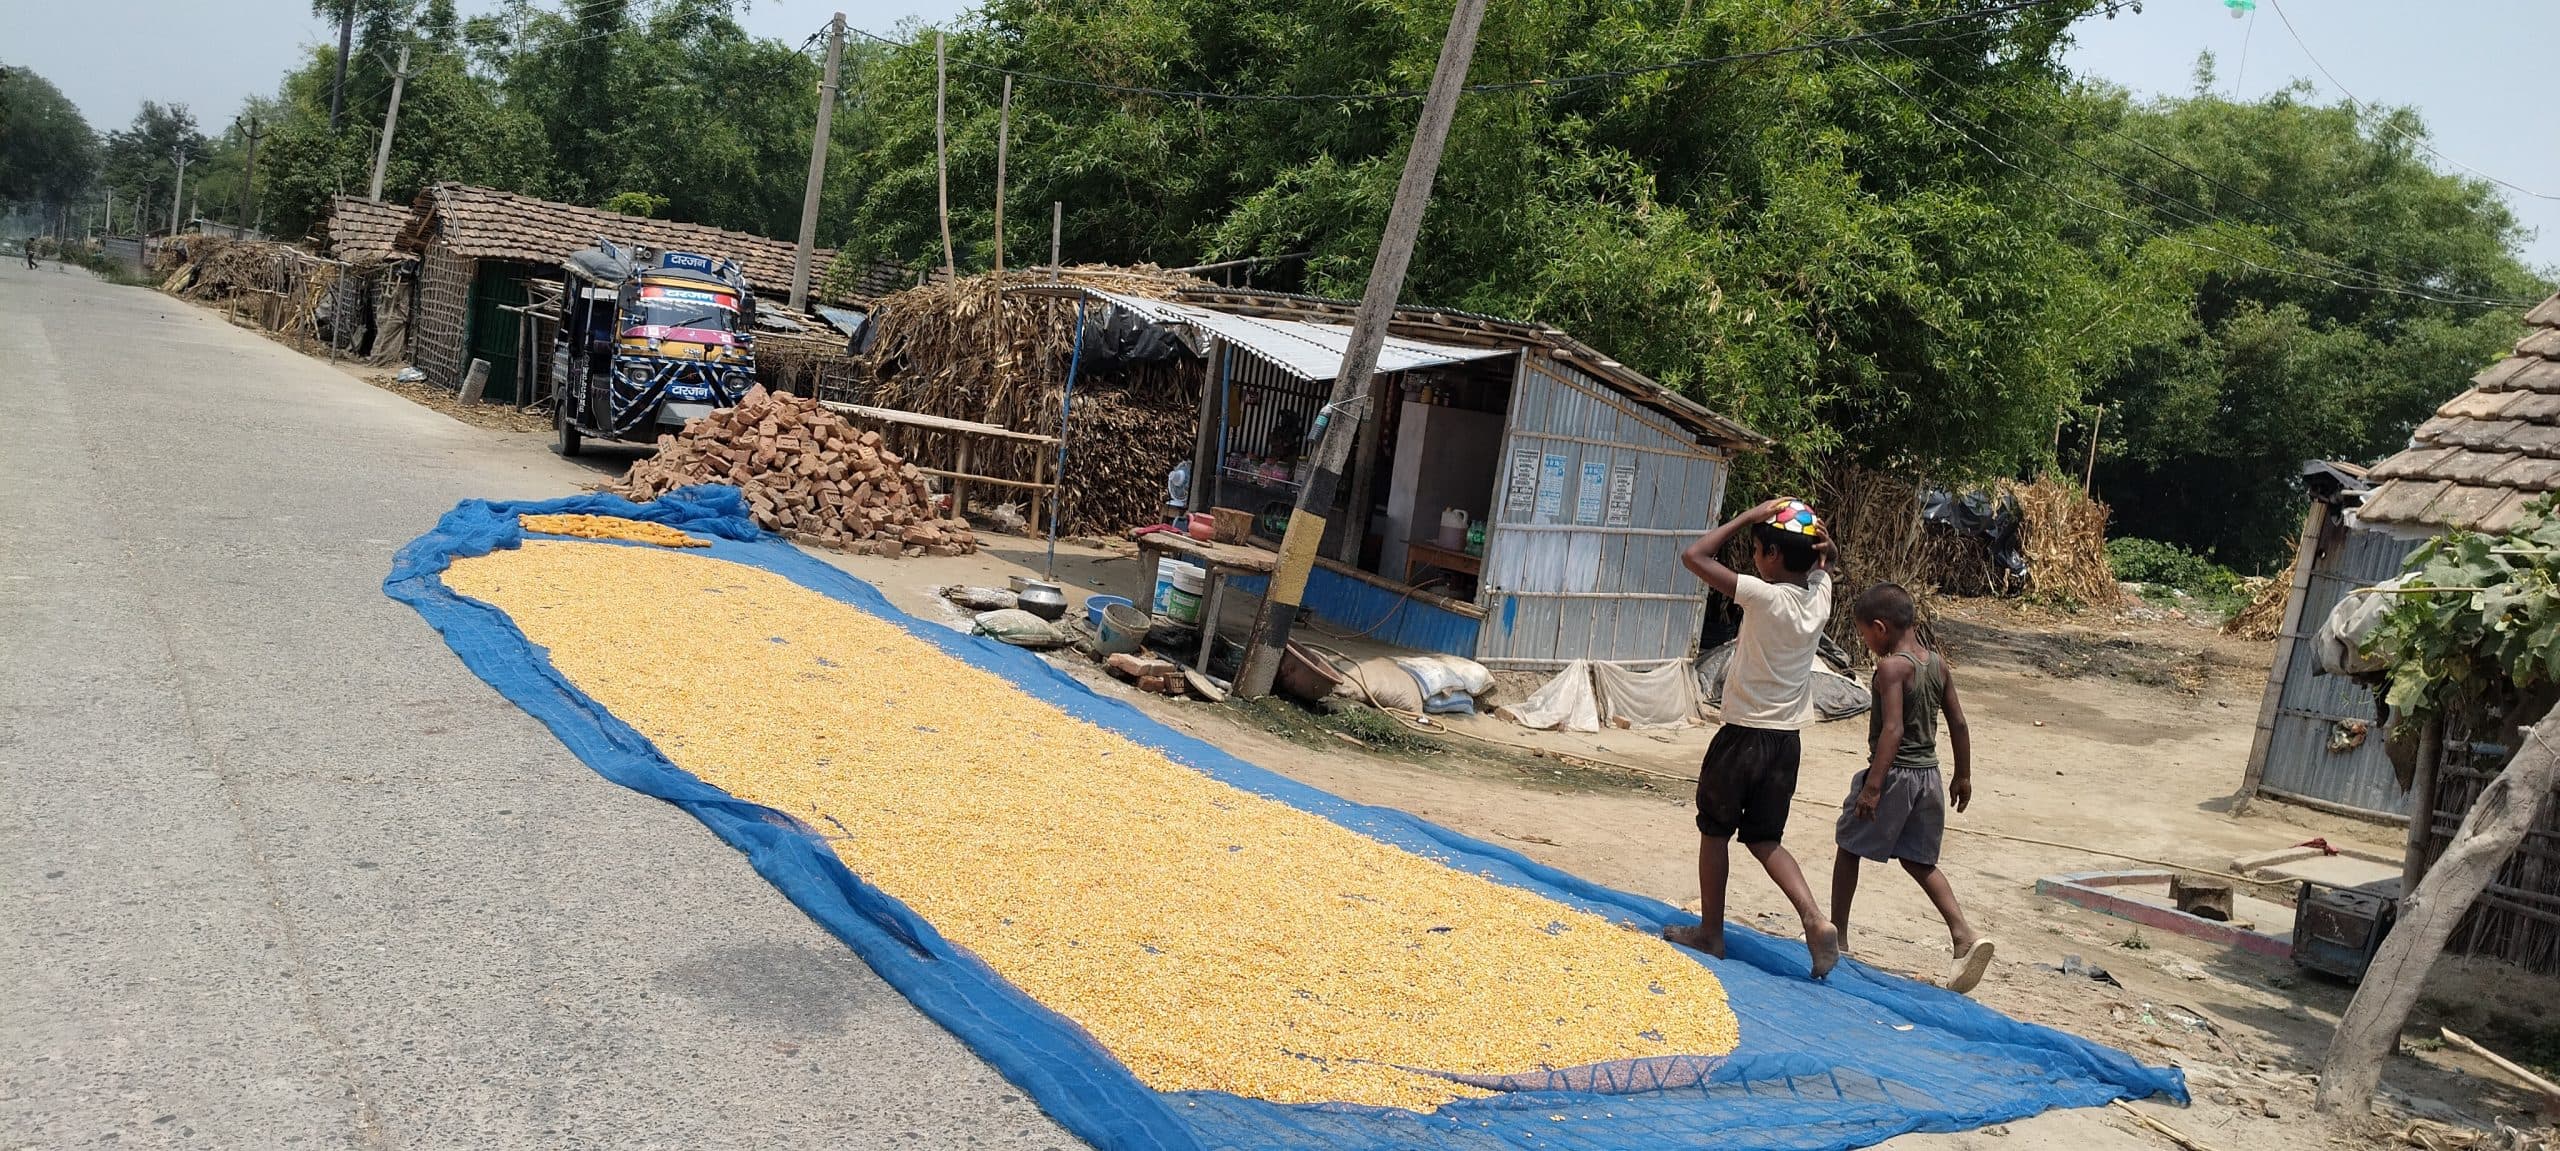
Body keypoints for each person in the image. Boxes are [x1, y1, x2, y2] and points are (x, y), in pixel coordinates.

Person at [1664, 496, 1841, 978]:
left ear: (1772, 557)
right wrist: (1819, 549)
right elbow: (1825, 565)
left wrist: (1747, 517)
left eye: (1758, 549)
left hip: (1743, 736)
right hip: (1787, 741)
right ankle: (1814, 918)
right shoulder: (1819, 598)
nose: (1755, 558)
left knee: (1714, 831)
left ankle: (1711, 933)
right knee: (1766, 839)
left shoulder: (1765, 596)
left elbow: (1694, 557)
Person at [1831, 582, 1994, 994]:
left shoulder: (1891, 669)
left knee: (1848, 845)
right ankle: (1963, 936)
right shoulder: (1937, 665)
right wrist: (1963, 775)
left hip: (1895, 776)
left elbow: (1893, 729)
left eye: (1866, 634)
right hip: (1930, 778)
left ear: (1881, 628)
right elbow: (1958, 722)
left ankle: (1837, 937)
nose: (1867, 642)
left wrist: (1872, 788)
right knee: (1920, 861)